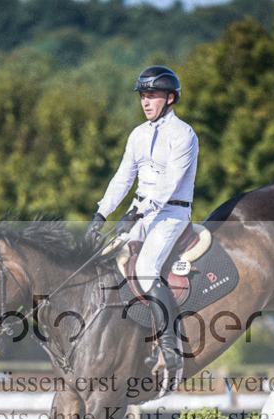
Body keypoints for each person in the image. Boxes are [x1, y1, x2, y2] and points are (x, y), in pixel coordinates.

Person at [86, 66, 199, 375]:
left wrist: (135, 214)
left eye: (152, 96)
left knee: (147, 268)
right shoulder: (138, 134)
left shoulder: (184, 134)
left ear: (170, 98)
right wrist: (101, 214)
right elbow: (123, 177)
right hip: (140, 212)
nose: (146, 103)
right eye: (143, 97)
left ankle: (169, 347)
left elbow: (170, 184)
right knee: (103, 261)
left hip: (171, 213)